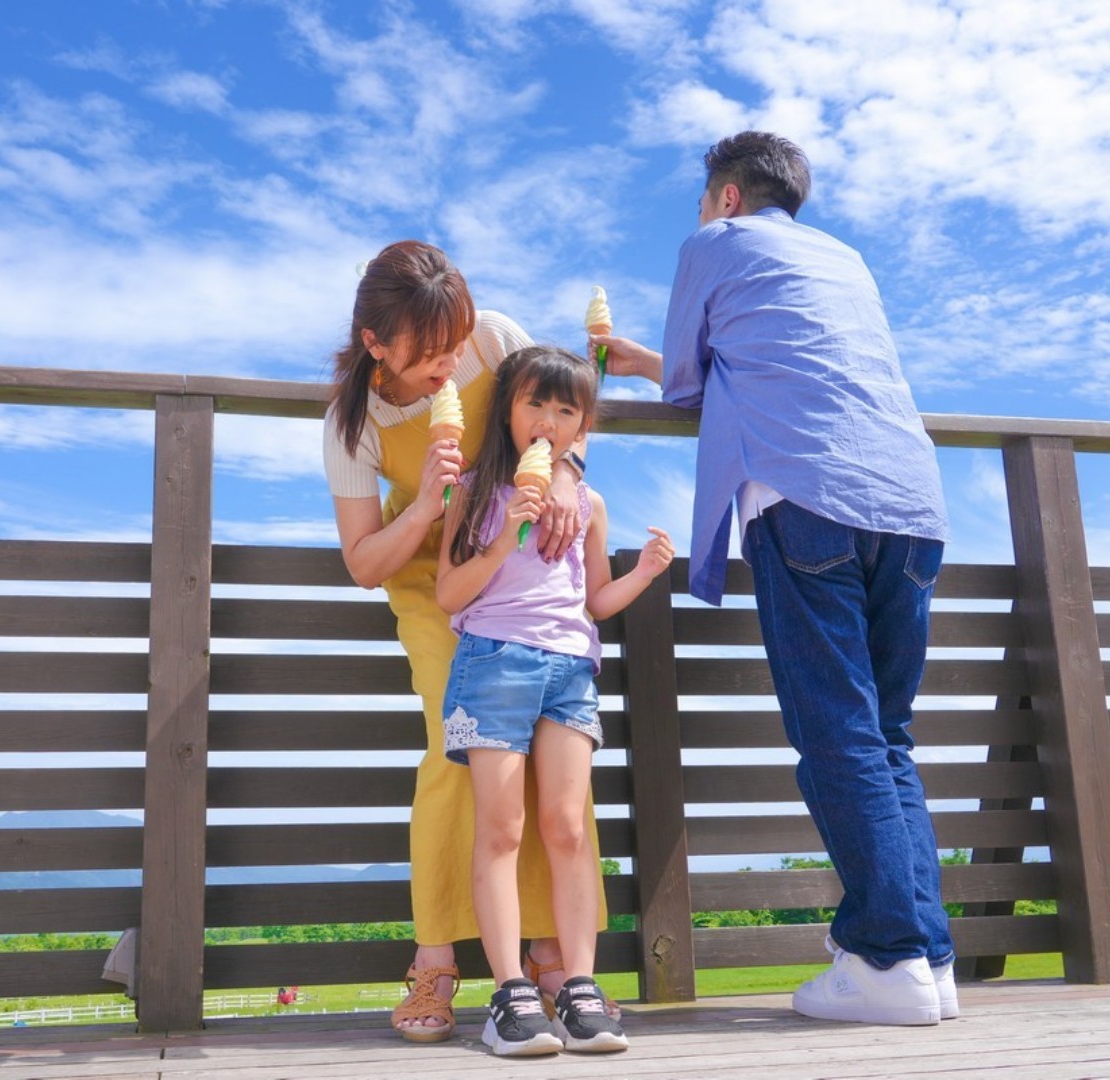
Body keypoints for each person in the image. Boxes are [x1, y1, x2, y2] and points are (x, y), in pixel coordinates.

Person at [594, 131, 958, 1026]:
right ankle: (930, 960)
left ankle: (886, 956)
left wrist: (641, 363)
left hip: (807, 498)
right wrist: (648, 363)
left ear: (724, 196)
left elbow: (688, 380)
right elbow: (730, 368)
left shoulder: (714, 245)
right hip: (912, 507)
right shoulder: (845, 260)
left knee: (838, 737)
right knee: (887, 738)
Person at [322, 241, 610, 1042]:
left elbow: (564, 410)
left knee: (557, 748)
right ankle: (437, 956)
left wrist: (558, 474)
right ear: (377, 344)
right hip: (438, 577)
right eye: (427, 355)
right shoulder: (353, 423)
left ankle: (555, 951)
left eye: (456, 344)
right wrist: (421, 510)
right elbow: (363, 563)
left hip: (533, 572)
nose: (448, 366)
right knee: (460, 747)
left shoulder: (494, 340)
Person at [436, 345, 673, 1056]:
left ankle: (577, 988)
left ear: (581, 427)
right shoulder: (474, 490)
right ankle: (509, 991)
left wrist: (647, 572)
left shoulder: (589, 502)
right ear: (506, 407)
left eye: (565, 410)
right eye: (534, 403)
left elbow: (595, 600)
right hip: (492, 664)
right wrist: (508, 528)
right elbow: (449, 594)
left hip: (570, 669)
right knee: (502, 830)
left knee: (568, 830)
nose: (547, 421)